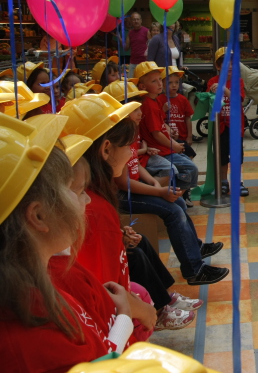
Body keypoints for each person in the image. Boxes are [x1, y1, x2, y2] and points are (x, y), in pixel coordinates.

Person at [0, 114, 134, 372]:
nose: (86, 201)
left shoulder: (35, 289)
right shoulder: (32, 335)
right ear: (38, 215)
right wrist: (125, 318)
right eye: (76, 190)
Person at [59, 94, 197, 333]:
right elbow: (108, 286)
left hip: (117, 317)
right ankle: (161, 305)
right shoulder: (95, 207)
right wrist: (137, 310)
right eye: (128, 146)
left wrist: (119, 235)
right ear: (106, 149)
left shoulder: (94, 194)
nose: (131, 151)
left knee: (139, 244)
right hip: (116, 326)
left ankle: (164, 297)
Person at [104, 81, 229, 287]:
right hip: (123, 196)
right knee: (173, 211)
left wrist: (153, 182)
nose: (140, 110)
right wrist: (158, 191)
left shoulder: (130, 132)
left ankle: (195, 250)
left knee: (178, 204)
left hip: (135, 189)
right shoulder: (118, 138)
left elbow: (134, 165)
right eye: (134, 107)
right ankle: (194, 270)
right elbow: (124, 183)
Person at [136, 61, 199, 206]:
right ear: (142, 86)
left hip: (165, 147)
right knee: (189, 168)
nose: (159, 83)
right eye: (154, 81)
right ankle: (171, 196)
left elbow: (160, 124)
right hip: (161, 150)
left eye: (159, 79)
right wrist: (174, 145)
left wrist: (170, 132)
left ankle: (174, 196)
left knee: (189, 165)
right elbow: (156, 133)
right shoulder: (149, 104)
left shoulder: (155, 101)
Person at [207, 47, 249, 197]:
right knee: (222, 156)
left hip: (236, 127)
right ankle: (223, 181)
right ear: (218, 67)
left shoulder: (239, 81)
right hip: (220, 127)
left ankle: (238, 182)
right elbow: (209, 103)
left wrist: (224, 89)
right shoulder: (212, 81)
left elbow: (238, 101)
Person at [160, 66, 196, 159]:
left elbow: (188, 118)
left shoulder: (183, 99)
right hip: (166, 139)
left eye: (177, 82)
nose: (174, 85)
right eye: (170, 83)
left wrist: (189, 136)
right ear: (162, 83)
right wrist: (163, 110)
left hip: (182, 137)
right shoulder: (159, 100)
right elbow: (157, 119)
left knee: (189, 155)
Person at [125, 12, 149, 77]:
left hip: (144, 62)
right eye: (134, 19)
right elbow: (126, 48)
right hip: (133, 62)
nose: (136, 21)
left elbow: (151, 45)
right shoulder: (130, 33)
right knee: (131, 82)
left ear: (141, 20)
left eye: (138, 19)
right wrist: (120, 39)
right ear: (131, 21)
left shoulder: (146, 31)